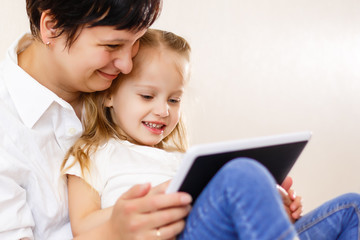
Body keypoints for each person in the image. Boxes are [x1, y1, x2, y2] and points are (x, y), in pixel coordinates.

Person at [62, 28, 360, 240]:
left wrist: (268, 206)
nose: (163, 111)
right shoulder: (93, 153)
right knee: (241, 173)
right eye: (147, 96)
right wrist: (135, 209)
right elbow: (83, 228)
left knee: (352, 208)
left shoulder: (186, 159)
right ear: (109, 95)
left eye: (174, 100)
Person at [0, 1, 196, 239]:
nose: (127, 65)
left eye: (136, 42)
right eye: (112, 45)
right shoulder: (7, 127)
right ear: (52, 27)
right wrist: (112, 232)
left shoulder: (127, 90)